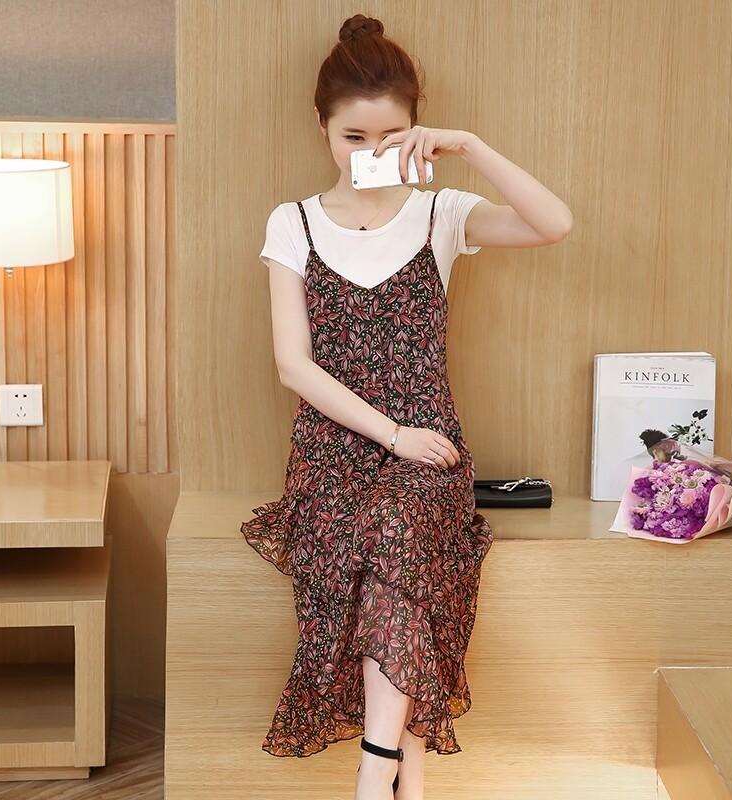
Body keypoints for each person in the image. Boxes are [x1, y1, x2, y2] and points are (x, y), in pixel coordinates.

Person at [242, 13, 572, 800]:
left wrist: (470, 147)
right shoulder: (293, 223)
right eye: (353, 136)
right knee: (390, 543)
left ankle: (373, 772)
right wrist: (390, 433)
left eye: (390, 136)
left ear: (416, 129)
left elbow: (554, 223)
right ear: (322, 127)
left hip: (429, 449)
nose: (370, 151)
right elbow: (293, 366)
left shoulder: (440, 213)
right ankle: (404, 772)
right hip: (333, 452)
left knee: (398, 524)